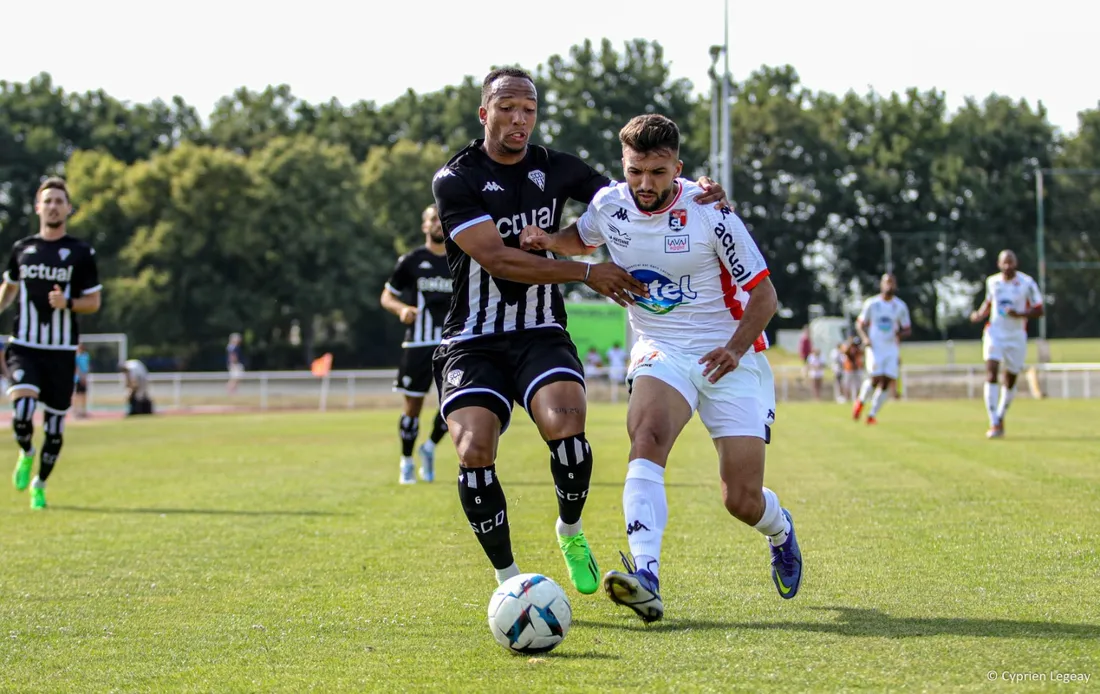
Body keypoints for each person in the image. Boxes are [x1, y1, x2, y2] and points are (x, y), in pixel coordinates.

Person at [430, 67, 729, 593]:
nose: (519, 119)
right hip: (471, 338)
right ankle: (510, 582)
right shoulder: (456, 179)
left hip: (541, 331)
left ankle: (569, 530)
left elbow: (637, 197)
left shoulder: (559, 168)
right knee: (475, 448)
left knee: (568, 434)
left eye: (528, 109)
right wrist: (588, 270)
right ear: (485, 114)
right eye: (507, 108)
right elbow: (499, 259)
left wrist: (697, 193)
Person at [521, 114, 801, 622]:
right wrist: (547, 241)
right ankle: (645, 573)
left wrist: (735, 349)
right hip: (660, 349)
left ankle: (779, 530)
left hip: (729, 357)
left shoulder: (709, 211)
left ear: (678, 167)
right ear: (622, 167)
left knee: (740, 499)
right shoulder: (609, 203)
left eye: (657, 172)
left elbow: (765, 295)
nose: (645, 184)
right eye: (634, 172)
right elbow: (583, 239)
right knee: (645, 436)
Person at [1, 177, 102, 510]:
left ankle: (39, 483)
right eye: (48, 200)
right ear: (37, 207)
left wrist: (68, 303)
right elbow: (9, 289)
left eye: (60, 200)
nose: (54, 206)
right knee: (24, 411)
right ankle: (27, 452)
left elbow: (94, 301)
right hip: (25, 346)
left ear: (68, 208)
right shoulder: (22, 249)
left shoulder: (81, 252)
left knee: (56, 429)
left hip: (61, 352)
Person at [380, 204, 453, 484]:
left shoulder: (459, 260)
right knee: (413, 406)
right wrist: (401, 310)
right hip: (418, 345)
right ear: (425, 226)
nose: (438, 224)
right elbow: (387, 296)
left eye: (442, 219)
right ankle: (407, 461)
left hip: (452, 343)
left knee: (453, 405)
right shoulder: (411, 261)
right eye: (433, 219)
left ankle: (430, 447)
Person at [969, 249, 1043, 438]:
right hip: (995, 333)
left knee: (1010, 380)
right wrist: (979, 314)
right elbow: (989, 302)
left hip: (1016, 336)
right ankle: (993, 420)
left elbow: (1039, 309)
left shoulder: (1027, 283)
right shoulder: (992, 282)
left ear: (1016, 264)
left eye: (1011, 262)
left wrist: (1020, 314)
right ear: (999, 265)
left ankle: (1000, 415)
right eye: (1005, 263)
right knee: (991, 371)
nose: (1008, 266)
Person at [852, 273, 912, 424]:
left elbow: (907, 328)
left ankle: (872, 415)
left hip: (891, 348)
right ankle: (860, 402)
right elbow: (859, 324)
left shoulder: (900, 306)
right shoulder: (872, 304)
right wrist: (865, 338)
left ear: (895, 286)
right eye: (887, 282)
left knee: (887, 381)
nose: (889, 286)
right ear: (881, 285)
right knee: (875, 378)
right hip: (875, 347)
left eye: (892, 283)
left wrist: (899, 334)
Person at [73, 343, 91, 418]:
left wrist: (85, 377)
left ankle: (83, 411)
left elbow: (87, 367)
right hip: (78, 378)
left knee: (84, 395)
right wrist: (81, 378)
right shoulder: (77, 357)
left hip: (84, 377)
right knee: (77, 395)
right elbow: (77, 368)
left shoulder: (86, 356)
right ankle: (76, 411)